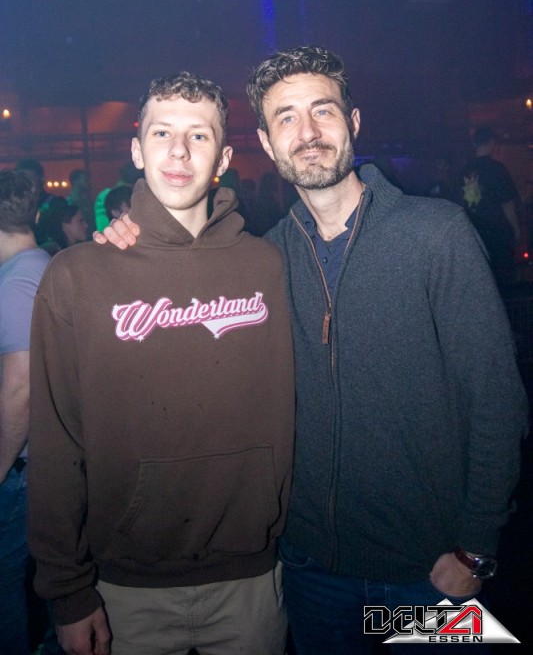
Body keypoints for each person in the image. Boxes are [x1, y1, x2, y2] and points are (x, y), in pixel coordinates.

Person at [99, 47, 529, 654]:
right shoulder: (266, 259)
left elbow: (497, 402)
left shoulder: (436, 235)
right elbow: (187, 276)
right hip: (310, 574)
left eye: (322, 111)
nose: (307, 133)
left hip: (427, 576)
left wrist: (476, 548)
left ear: (353, 122)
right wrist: (126, 243)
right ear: (266, 143)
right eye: (286, 117)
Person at [28, 71, 294, 655]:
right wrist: (66, 591)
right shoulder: (77, 276)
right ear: (136, 149)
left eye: (199, 135)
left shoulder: (270, 267)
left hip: (250, 580)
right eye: (161, 132)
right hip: (122, 589)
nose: (178, 150)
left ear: (224, 158)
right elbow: (55, 441)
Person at [0, 170, 50, 655]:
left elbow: (20, 388)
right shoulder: (41, 263)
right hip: (34, 462)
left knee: (4, 583)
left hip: (19, 467)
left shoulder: (17, 281)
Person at [459, 124, 522, 288]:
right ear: (491, 142)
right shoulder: (497, 169)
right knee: (502, 280)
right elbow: (507, 203)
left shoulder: (464, 170)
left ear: (475, 143)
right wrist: (516, 229)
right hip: (497, 233)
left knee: (480, 281)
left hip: (473, 232)